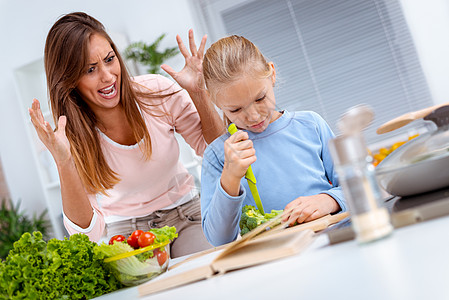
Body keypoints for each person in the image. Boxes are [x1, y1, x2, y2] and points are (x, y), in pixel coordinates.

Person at [28, 12, 224, 258]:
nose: (108, 76)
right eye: (90, 69)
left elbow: (218, 154)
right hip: (127, 234)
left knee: (207, 267)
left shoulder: (155, 93)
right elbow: (86, 232)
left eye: (109, 59)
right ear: (69, 80)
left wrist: (199, 94)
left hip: (187, 214)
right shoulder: (70, 137)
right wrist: (63, 161)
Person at [200, 35, 347, 246]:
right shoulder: (217, 156)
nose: (253, 116)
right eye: (236, 109)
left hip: (332, 240)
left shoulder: (311, 125)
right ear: (215, 101)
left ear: (272, 74)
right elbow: (219, 239)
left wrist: (329, 200)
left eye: (260, 99)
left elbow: (358, 184)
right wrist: (230, 178)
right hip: (273, 257)